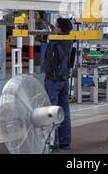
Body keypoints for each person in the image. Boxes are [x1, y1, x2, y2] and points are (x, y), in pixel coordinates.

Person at [43, 17, 75, 151]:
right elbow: (54, 31)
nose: (54, 28)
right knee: (64, 111)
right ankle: (65, 142)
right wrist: (47, 22)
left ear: (60, 29)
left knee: (52, 112)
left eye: (56, 26)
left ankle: (53, 143)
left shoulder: (54, 41)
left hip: (53, 82)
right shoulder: (69, 40)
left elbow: (45, 36)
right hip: (64, 80)